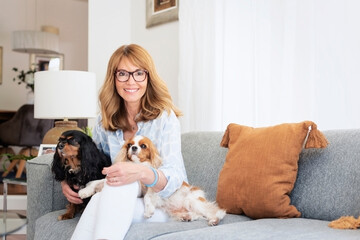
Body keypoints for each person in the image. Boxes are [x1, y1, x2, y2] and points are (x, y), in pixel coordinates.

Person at [61, 44, 187, 240]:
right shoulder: (105, 120)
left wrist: (142, 172)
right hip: (122, 197)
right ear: (114, 78)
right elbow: (91, 161)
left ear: (148, 77)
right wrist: (66, 181)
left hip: (163, 204)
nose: (131, 81)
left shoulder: (165, 118)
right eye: (123, 74)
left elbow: (176, 177)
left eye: (138, 73)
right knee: (100, 199)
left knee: (121, 181)